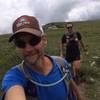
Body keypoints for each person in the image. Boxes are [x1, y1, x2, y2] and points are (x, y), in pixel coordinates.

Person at [1, 15, 83, 100]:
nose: (28, 49)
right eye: (20, 43)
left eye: (34, 41)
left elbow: (71, 84)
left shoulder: (61, 63)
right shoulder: (14, 77)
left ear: (44, 40)